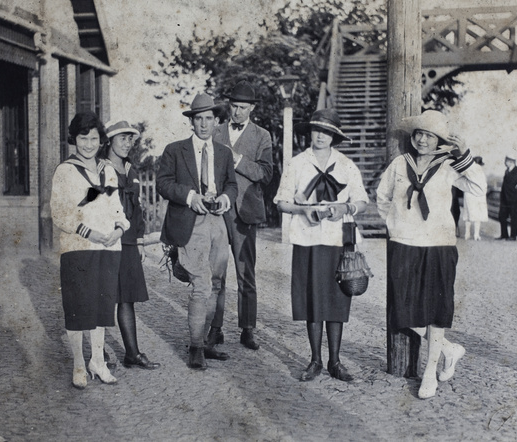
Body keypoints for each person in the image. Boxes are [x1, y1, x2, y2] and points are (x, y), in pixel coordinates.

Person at [376, 110, 486, 399]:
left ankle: (429, 372)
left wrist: (465, 156)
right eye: (419, 134)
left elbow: (477, 187)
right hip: (404, 243)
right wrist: (395, 227)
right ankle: (449, 350)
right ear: (412, 137)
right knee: (402, 309)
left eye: (429, 136)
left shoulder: (449, 165)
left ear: (439, 141)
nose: (423, 140)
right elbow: (382, 197)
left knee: (436, 310)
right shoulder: (400, 163)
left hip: (438, 245)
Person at [274, 108, 368, 382]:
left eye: (326, 132)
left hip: (338, 239)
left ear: (334, 136)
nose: (320, 136)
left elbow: (361, 200)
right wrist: (303, 210)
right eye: (316, 130)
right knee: (312, 298)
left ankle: (335, 361)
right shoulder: (297, 164)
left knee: (337, 298)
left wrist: (345, 207)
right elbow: (281, 202)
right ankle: (314, 360)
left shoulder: (347, 165)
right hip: (308, 238)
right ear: (310, 133)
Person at [156, 93, 238, 370]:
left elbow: (232, 185)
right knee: (201, 285)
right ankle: (195, 347)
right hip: (191, 221)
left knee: (216, 283)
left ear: (216, 121)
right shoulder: (174, 150)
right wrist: (191, 197)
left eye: (208, 119)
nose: (203, 124)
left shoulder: (224, 153)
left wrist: (225, 199)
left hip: (218, 222)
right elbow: (163, 184)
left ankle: (207, 342)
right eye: (198, 119)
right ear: (191, 122)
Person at [51, 111, 129, 389]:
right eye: (83, 138)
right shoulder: (65, 171)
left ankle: (98, 360)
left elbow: (116, 206)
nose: (88, 144)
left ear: (101, 140)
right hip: (78, 248)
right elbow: (60, 213)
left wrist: (120, 228)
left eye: (93, 139)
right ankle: (78, 364)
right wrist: (90, 232)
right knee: (78, 308)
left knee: (101, 307)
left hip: (109, 248)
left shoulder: (107, 170)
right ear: (75, 139)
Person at [207, 81, 273, 351]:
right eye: (233, 106)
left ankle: (248, 329)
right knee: (216, 274)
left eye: (242, 108)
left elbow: (266, 174)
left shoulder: (262, 136)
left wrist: (236, 160)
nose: (236, 112)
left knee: (246, 273)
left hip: (245, 212)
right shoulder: (215, 131)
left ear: (252, 109)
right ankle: (215, 328)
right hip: (219, 212)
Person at [98, 119, 160, 370]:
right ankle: (97, 352)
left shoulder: (131, 170)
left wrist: (141, 241)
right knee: (103, 297)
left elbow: (137, 210)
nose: (127, 143)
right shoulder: (99, 169)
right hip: (106, 241)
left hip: (129, 243)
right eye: (122, 138)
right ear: (110, 141)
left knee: (127, 298)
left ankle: (132, 353)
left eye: (130, 138)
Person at [463, 156, 488, 240]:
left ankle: (467, 234)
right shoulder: (480, 171)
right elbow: (484, 185)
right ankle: (476, 235)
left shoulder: (468, 170)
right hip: (478, 196)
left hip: (468, 194)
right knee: (477, 216)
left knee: (468, 215)